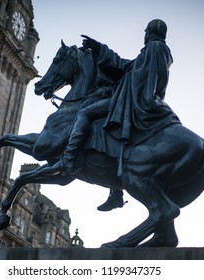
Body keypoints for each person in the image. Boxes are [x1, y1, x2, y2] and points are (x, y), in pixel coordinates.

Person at [42, 19, 181, 211]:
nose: (144, 35)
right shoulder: (153, 51)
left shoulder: (155, 48)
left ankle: (69, 158)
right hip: (131, 96)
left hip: (134, 99)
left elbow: (139, 75)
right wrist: (99, 48)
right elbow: (127, 66)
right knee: (102, 124)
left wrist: (137, 94)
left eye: (146, 31)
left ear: (151, 31)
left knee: (85, 113)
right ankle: (115, 191)